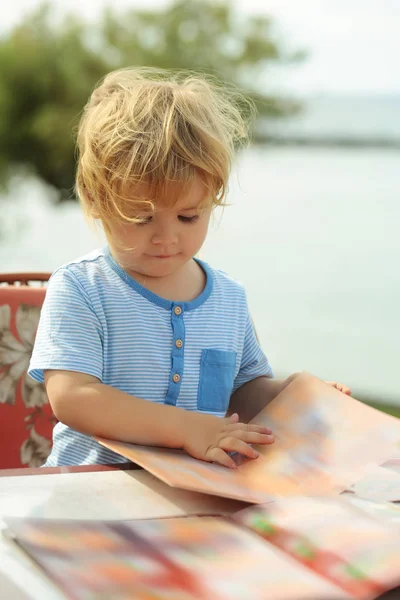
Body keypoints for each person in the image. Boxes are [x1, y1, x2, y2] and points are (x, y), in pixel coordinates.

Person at [28, 67, 350, 468]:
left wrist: (294, 396)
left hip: (195, 501)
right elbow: (73, 398)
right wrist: (187, 428)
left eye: (188, 217)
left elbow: (241, 395)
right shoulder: (82, 288)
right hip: (89, 497)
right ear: (95, 200)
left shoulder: (228, 298)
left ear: (212, 199)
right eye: (141, 218)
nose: (166, 237)